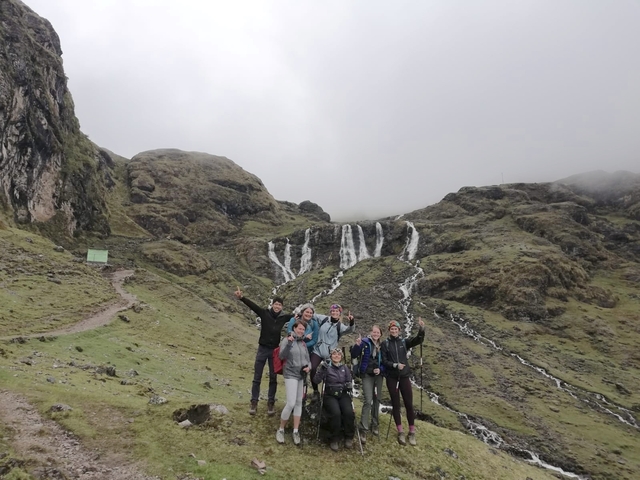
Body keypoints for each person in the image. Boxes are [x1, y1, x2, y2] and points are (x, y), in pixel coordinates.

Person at [234, 287, 291, 416]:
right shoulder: (264, 313)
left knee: (273, 377)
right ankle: (254, 402)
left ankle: (271, 403)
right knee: (257, 377)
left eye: (280, 305)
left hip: (274, 351)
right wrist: (242, 298)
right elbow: (253, 306)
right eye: (276, 304)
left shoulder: (283, 318)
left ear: (282, 307)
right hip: (262, 349)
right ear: (272, 305)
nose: (277, 306)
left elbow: (298, 317)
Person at [380, 318, 425, 446]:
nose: (394, 331)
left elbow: (418, 340)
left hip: (404, 377)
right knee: (396, 404)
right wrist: (395, 365)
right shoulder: (385, 344)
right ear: (389, 331)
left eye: (396, 329)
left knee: (409, 404)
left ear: (399, 330)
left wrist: (421, 329)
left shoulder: (404, 342)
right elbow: (384, 361)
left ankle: (412, 432)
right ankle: (400, 431)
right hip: (392, 378)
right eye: (392, 329)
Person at [313, 348, 356, 452]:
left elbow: (349, 380)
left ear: (341, 357)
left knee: (349, 412)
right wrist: (322, 369)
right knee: (335, 413)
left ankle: (349, 437)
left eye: (339, 354)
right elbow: (316, 380)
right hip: (330, 394)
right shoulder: (326, 366)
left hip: (343, 394)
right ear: (331, 356)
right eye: (334, 354)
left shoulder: (345, 367)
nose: (336, 356)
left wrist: (349, 385)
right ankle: (334, 439)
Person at [276, 320, 311, 445]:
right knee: (290, 403)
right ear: (294, 328)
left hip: (301, 375)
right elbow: (281, 356)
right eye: (299, 328)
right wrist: (290, 343)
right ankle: (281, 429)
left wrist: (309, 367)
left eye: (303, 330)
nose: (301, 331)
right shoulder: (287, 340)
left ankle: (295, 431)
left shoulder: (303, 343)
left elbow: (308, 359)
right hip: (290, 374)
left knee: (298, 402)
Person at [310, 304, 355, 398]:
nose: (335, 313)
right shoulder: (324, 319)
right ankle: (315, 391)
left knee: (330, 373)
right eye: (333, 311)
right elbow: (311, 315)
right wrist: (301, 312)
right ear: (330, 312)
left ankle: (328, 393)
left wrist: (351, 322)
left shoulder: (340, 327)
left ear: (340, 314)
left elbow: (349, 330)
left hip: (330, 354)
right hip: (318, 350)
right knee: (313, 368)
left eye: (337, 311)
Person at [350, 325, 383, 444]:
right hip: (367, 375)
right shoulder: (364, 342)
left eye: (377, 332)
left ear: (380, 334)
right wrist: (357, 345)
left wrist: (380, 369)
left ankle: (375, 424)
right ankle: (363, 428)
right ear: (371, 332)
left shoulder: (382, 346)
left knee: (377, 399)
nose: (375, 334)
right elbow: (354, 354)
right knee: (368, 400)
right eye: (374, 332)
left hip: (378, 376)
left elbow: (384, 361)